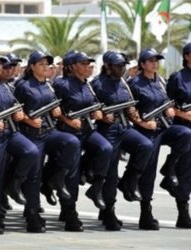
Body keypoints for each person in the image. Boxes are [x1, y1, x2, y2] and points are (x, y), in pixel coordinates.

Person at [14, 51, 82, 232]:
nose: (46, 67)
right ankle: (32, 214)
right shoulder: (23, 85)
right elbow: (15, 113)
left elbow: (55, 106)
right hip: (31, 134)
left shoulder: (49, 86)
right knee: (33, 176)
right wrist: (28, 120)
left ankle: (55, 177)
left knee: (71, 142)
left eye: (47, 64)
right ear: (32, 66)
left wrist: (57, 112)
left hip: (50, 132)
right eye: (41, 64)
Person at [0, 53, 40, 234]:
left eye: (0, 64)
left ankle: (14, 183)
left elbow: (15, 106)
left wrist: (19, 113)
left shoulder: (5, 87)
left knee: (31, 151)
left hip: (11, 133)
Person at [128, 48, 191, 230]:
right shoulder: (137, 83)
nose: (155, 63)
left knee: (186, 139)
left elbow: (168, 103)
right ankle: (145, 212)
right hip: (148, 130)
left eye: (157, 60)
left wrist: (171, 111)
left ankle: (169, 168)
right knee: (149, 169)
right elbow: (130, 110)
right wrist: (143, 123)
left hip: (166, 127)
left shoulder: (160, 81)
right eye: (150, 60)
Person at [91, 52, 153, 230]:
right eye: (118, 66)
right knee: (110, 172)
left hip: (124, 127)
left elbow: (130, 106)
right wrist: (102, 116)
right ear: (108, 66)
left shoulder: (124, 83)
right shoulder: (97, 84)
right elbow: (89, 108)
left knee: (145, 145)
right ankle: (109, 210)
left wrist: (133, 113)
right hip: (107, 130)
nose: (122, 68)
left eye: (123, 65)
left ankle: (129, 180)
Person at [53, 51, 113, 213]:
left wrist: (97, 113)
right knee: (72, 173)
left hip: (87, 130)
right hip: (69, 132)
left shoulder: (87, 85)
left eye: (88, 64)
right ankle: (69, 210)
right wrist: (68, 120)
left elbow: (94, 104)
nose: (87, 67)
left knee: (105, 148)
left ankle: (96, 187)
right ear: (72, 67)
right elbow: (54, 111)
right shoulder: (61, 84)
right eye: (83, 64)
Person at [165, 42, 191, 228]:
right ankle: (183, 212)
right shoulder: (177, 78)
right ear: (187, 56)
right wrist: (183, 114)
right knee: (186, 172)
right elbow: (165, 105)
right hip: (183, 130)